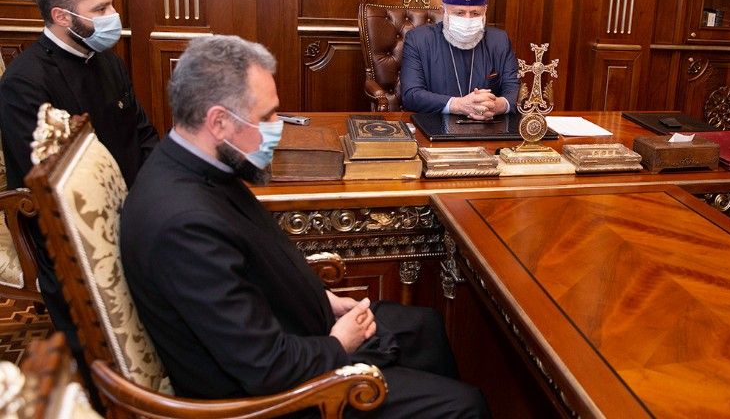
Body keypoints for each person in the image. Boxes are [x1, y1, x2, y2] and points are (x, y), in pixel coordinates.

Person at [120, 35, 488, 417]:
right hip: (271, 399)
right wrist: (339, 344)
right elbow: (266, 367)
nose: (277, 127)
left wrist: (322, 300)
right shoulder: (182, 226)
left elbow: (254, 264)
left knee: (424, 326)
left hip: (292, 329)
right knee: (464, 407)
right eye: (266, 117)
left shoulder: (202, 162)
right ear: (218, 121)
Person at [0, 0, 158, 385]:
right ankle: (110, 389)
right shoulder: (24, 82)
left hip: (131, 202)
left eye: (111, 5)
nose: (113, 16)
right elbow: (48, 180)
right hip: (67, 226)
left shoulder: (107, 62)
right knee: (100, 347)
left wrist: (156, 194)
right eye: (101, 9)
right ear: (62, 17)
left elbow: (142, 134)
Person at [401, 0, 519, 119]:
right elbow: (411, 95)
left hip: (487, 124)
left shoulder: (499, 40)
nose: (467, 19)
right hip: (436, 124)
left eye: (475, 13)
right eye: (459, 13)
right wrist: (458, 105)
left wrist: (496, 105)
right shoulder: (418, 39)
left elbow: (514, 90)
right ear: (443, 11)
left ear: (485, 11)